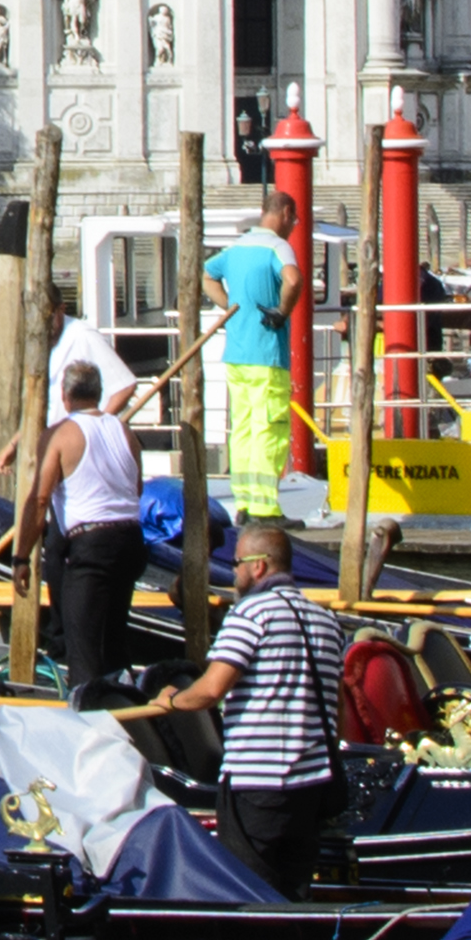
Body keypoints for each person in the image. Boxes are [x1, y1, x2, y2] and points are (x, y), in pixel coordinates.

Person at [119, 517, 344, 889]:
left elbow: (211, 689)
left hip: (260, 784)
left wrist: (173, 700)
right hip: (313, 782)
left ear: (258, 566)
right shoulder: (326, 621)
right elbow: (339, 709)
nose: (234, 572)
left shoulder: (250, 614)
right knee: (293, 888)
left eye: (237, 563)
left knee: (246, 887)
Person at [35, 358, 149, 698]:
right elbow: (137, 487)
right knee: (113, 641)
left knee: (82, 646)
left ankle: (88, 722)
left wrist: (21, 559)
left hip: (92, 546)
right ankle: (124, 715)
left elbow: (40, 498)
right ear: (98, 395)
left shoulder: (59, 434)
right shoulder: (124, 431)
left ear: (66, 397)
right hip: (129, 541)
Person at [203, 194, 297, 507]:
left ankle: (243, 503)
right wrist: (282, 311)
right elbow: (293, 280)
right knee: (269, 427)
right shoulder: (278, 247)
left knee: (241, 428)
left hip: (236, 354)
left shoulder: (236, 247)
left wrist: (230, 305)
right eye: (293, 221)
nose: (293, 227)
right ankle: (265, 506)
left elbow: (207, 274)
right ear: (285, 213)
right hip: (267, 354)